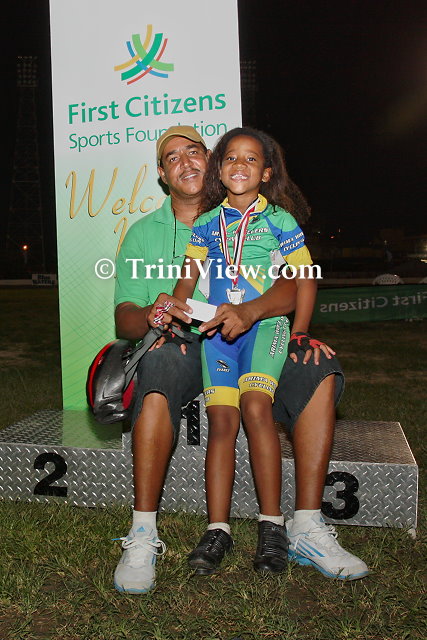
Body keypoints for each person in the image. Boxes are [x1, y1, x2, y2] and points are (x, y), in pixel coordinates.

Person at [112, 125, 368, 594]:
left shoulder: (276, 219)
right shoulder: (164, 231)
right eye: (172, 157)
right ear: (163, 174)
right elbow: (150, 302)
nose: (186, 162)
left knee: (294, 382)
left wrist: (297, 330)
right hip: (203, 338)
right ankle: (164, 531)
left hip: (259, 328)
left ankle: (296, 526)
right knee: (202, 402)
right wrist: (162, 315)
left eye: (194, 151)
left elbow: (299, 280)